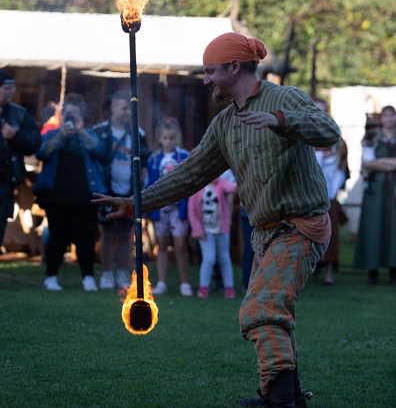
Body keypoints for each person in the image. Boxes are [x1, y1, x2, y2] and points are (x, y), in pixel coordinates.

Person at [92, 32, 341, 407]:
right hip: (266, 233)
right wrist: (135, 204)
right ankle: (288, 395)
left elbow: (329, 132)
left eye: (210, 71)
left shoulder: (284, 97)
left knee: (261, 309)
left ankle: (279, 401)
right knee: (273, 310)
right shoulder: (226, 123)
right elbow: (188, 174)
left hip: (301, 225)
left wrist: (280, 120)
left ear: (234, 67)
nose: (206, 79)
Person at [34, 94, 106, 292]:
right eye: (68, 114)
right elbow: (42, 152)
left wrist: (80, 130)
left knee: (86, 237)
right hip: (57, 196)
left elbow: (98, 150)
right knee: (57, 237)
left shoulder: (88, 134)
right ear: (61, 115)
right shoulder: (51, 134)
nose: (71, 118)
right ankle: (51, 277)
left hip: (86, 195)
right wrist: (61, 135)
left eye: (75, 114)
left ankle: (88, 278)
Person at [93, 90, 150, 290]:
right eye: (124, 108)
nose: (128, 112)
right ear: (113, 108)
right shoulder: (99, 132)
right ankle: (107, 274)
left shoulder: (138, 133)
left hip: (130, 191)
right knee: (107, 233)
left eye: (130, 108)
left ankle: (123, 274)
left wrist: (142, 185)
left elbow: (144, 160)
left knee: (127, 234)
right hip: (107, 189)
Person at [145, 117, 193, 297]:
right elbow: (150, 184)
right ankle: (162, 282)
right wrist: (150, 210)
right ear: (160, 138)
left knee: (180, 245)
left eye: (172, 138)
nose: (168, 141)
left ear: (177, 138)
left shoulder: (184, 156)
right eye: (165, 138)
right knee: (162, 244)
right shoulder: (154, 159)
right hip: (161, 209)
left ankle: (185, 283)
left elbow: (189, 183)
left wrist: (184, 208)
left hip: (178, 207)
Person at [353, 105, 396, 286]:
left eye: (392, 115)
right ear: (381, 118)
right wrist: (391, 164)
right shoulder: (371, 137)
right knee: (373, 226)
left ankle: (394, 271)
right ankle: (372, 271)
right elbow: (367, 163)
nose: (389, 118)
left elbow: (374, 162)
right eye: (385, 115)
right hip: (376, 188)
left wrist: (380, 162)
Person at [0, 70, 41, 250]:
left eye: (13, 88)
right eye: (7, 88)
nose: (11, 92)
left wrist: (15, 135)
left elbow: (34, 143)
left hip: (5, 183)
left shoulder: (19, 114)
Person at [313, 97, 349, 285]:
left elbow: (340, 164)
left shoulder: (334, 133)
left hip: (329, 194)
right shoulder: (303, 132)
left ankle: (329, 271)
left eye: (322, 109)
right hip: (309, 196)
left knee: (331, 233)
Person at [188, 176, 237, 299]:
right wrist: (198, 230)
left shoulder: (222, 184)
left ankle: (229, 288)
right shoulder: (198, 189)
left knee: (224, 257)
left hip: (222, 230)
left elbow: (232, 188)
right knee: (209, 258)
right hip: (205, 231)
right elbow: (192, 211)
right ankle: (203, 288)